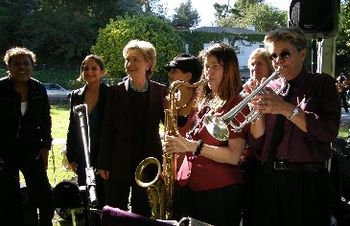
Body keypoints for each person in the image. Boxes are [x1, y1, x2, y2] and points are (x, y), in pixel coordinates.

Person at [248, 27, 341, 226]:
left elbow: (328, 131)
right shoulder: (270, 88)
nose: (278, 61)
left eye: (284, 54)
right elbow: (258, 144)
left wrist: (285, 108)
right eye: (273, 56)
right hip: (269, 178)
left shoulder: (321, 83)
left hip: (306, 182)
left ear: (302, 54)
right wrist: (256, 112)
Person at [164, 43, 249, 226]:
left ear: (230, 70)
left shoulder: (237, 103)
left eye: (215, 66)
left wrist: (190, 145)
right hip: (189, 186)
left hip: (218, 194)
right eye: (206, 66)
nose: (208, 72)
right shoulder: (206, 101)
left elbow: (234, 156)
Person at [98, 40, 167, 217]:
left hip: (148, 161)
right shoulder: (115, 91)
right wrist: (103, 162)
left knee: (142, 211)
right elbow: (107, 129)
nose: (130, 64)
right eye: (127, 59)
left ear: (149, 62)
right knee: (115, 210)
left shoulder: (161, 92)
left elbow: (169, 127)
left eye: (135, 59)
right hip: (117, 160)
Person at [0, 47, 54, 226]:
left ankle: (45, 223)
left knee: (44, 194)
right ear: (9, 66)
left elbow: (46, 119)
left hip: (32, 149)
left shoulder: (39, 89)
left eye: (26, 63)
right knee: (9, 197)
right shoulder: (1, 88)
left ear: (32, 65)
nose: (21, 67)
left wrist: (46, 146)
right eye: (16, 64)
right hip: (5, 151)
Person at [66, 54, 108, 224]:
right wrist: (71, 155)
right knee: (87, 196)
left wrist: (108, 158)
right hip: (83, 154)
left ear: (102, 72)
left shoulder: (110, 93)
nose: (90, 72)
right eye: (86, 68)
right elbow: (72, 127)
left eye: (94, 68)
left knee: (104, 198)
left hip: (104, 154)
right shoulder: (76, 95)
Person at [241, 47, 274, 226]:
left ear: (270, 67)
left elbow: (259, 137)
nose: (254, 68)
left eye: (259, 64)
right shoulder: (245, 91)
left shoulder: (275, 92)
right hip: (246, 158)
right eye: (252, 64)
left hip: (261, 159)